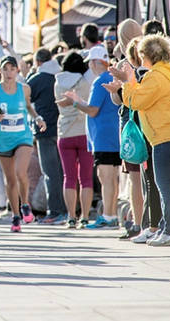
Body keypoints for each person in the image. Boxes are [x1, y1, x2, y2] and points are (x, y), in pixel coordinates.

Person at [108, 34, 170, 246]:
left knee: (164, 186)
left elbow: (135, 101)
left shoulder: (155, 77)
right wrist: (128, 82)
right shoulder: (167, 72)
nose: (141, 58)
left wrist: (127, 82)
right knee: (166, 185)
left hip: (165, 136)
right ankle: (165, 226)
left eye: (142, 54)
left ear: (149, 55)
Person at [0, 56, 47, 232]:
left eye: (12, 69)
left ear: (17, 70)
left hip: (22, 136)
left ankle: (25, 204)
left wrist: (38, 118)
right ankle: (15, 216)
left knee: (20, 172)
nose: (9, 72)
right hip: (3, 139)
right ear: (0, 70)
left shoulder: (24, 88)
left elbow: (28, 106)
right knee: (10, 180)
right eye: (5, 69)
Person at [64, 45, 121, 229]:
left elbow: (92, 110)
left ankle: (108, 216)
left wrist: (74, 103)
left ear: (96, 62)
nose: (89, 65)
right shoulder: (112, 78)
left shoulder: (99, 81)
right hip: (114, 135)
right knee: (112, 178)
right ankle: (112, 214)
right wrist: (79, 101)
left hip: (103, 137)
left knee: (106, 178)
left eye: (90, 62)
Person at [26, 47, 66, 225]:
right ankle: (67, 209)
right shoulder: (61, 75)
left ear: (37, 62)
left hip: (44, 130)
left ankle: (55, 211)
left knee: (50, 173)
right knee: (64, 172)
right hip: (63, 129)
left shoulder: (37, 79)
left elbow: (24, 97)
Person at [54, 52, 94, 228]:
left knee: (68, 177)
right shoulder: (85, 83)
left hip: (65, 132)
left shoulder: (57, 82)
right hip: (84, 132)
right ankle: (84, 217)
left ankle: (71, 216)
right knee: (86, 178)